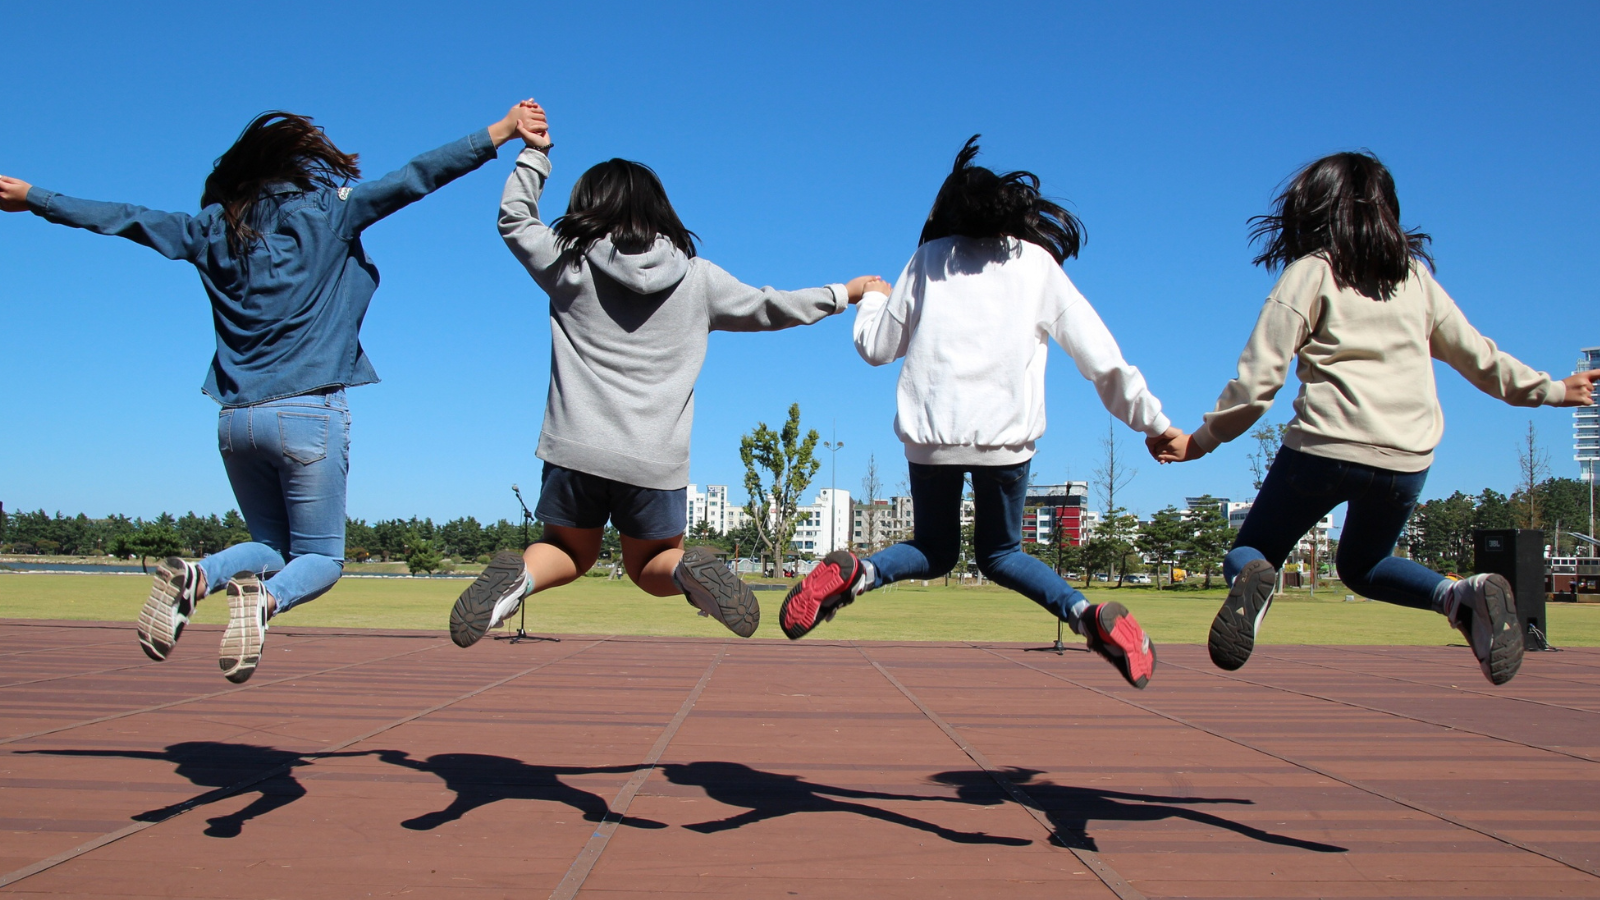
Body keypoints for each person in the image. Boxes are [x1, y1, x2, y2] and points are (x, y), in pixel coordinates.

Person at [0, 102, 544, 682]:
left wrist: (34, 196)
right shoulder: (326, 213)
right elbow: (416, 177)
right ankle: (263, 603)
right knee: (321, 560)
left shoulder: (209, 231)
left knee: (271, 547)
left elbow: (127, 217)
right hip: (308, 412)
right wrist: (502, 132)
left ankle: (200, 577)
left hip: (235, 420)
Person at [1150, 150, 1600, 685]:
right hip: (1406, 460)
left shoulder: (1310, 273)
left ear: (1313, 210)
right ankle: (1461, 595)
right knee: (1363, 565)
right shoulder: (1415, 280)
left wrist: (1199, 441)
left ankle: (1255, 580)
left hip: (1323, 448)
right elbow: (1481, 360)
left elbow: (1257, 384)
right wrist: (1553, 389)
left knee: (1254, 551)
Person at [448, 103, 883, 646]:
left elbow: (515, 220)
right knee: (651, 564)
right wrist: (845, 293)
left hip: (573, 449)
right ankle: (687, 573)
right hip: (655, 460)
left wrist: (534, 155)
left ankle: (518, 580)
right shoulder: (699, 280)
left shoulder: (571, 264)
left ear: (589, 208)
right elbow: (773, 307)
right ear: (660, 211)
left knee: (567, 552)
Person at [778, 136, 1177, 689]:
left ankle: (858, 573)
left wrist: (871, 295)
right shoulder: (1036, 266)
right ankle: (1087, 616)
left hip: (932, 439)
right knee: (1001, 552)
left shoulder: (926, 262)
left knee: (933, 548)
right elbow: (1100, 357)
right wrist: (1154, 424)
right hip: (1005, 443)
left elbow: (875, 348)